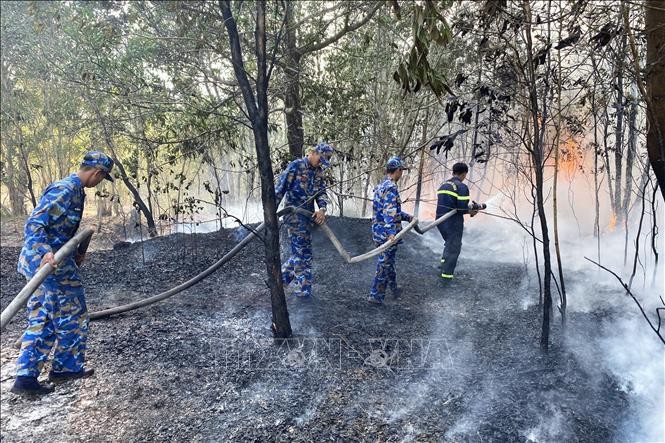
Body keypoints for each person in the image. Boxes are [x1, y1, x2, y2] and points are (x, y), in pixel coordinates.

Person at [11, 151, 115, 396]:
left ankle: (28, 377)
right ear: (98, 173)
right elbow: (35, 223)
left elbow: (61, 228)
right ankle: (64, 368)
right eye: (102, 177)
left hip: (55, 262)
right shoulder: (65, 189)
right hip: (48, 265)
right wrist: (46, 252)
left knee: (43, 316)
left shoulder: (75, 190)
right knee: (72, 313)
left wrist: (77, 251)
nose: (101, 182)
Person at [275, 143, 333, 299]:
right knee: (303, 254)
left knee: (302, 253)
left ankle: (278, 281)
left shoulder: (319, 172)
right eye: (320, 159)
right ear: (313, 153)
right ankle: (303, 291)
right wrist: (271, 213)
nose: (321, 163)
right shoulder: (296, 166)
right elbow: (280, 189)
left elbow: (321, 194)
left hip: (307, 218)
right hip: (293, 216)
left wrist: (322, 209)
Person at [368, 156, 413, 304]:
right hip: (386, 234)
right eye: (402, 171)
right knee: (385, 263)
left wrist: (407, 217)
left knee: (389, 261)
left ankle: (394, 289)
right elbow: (389, 212)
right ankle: (375, 296)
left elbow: (387, 210)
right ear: (398, 170)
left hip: (378, 230)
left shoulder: (382, 185)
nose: (402, 174)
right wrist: (391, 233)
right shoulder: (391, 187)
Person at [436, 162, 478, 283]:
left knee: (449, 244)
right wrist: (472, 212)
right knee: (454, 248)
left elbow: (452, 204)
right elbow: (461, 208)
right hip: (453, 222)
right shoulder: (461, 187)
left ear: (453, 171)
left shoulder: (443, 185)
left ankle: (442, 267)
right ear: (464, 173)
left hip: (440, 221)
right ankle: (446, 278)